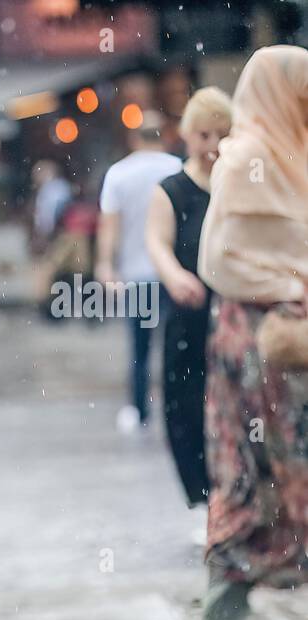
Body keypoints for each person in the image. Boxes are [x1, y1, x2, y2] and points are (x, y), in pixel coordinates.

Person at [194, 45, 308, 620]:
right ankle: (222, 617)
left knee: (291, 471)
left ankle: (225, 617)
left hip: (291, 346)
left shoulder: (295, 153)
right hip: (256, 348)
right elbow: (218, 260)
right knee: (252, 471)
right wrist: (288, 288)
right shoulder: (245, 159)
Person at [144, 87, 233, 515]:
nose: (213, 146)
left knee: (238, 406)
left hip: (236, 311)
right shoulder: (171, 189)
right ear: (187, 136)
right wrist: (175, 275)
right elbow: (157, 243)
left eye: (222, 135)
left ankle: (238, 497)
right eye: (204, 135)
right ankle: (202, 498)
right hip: (190, 313)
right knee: (186, 404)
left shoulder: (240, 181)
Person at [95, 111, 182, 434]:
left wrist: (106, 265)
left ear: (134, 139)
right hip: (174, 273)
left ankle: (139, 408)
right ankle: (177, 405)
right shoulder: (178, 169)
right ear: (164, 135)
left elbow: (110, 227)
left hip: (136, 276)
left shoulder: (118, 174)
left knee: (140, 347)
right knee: (177, 344)